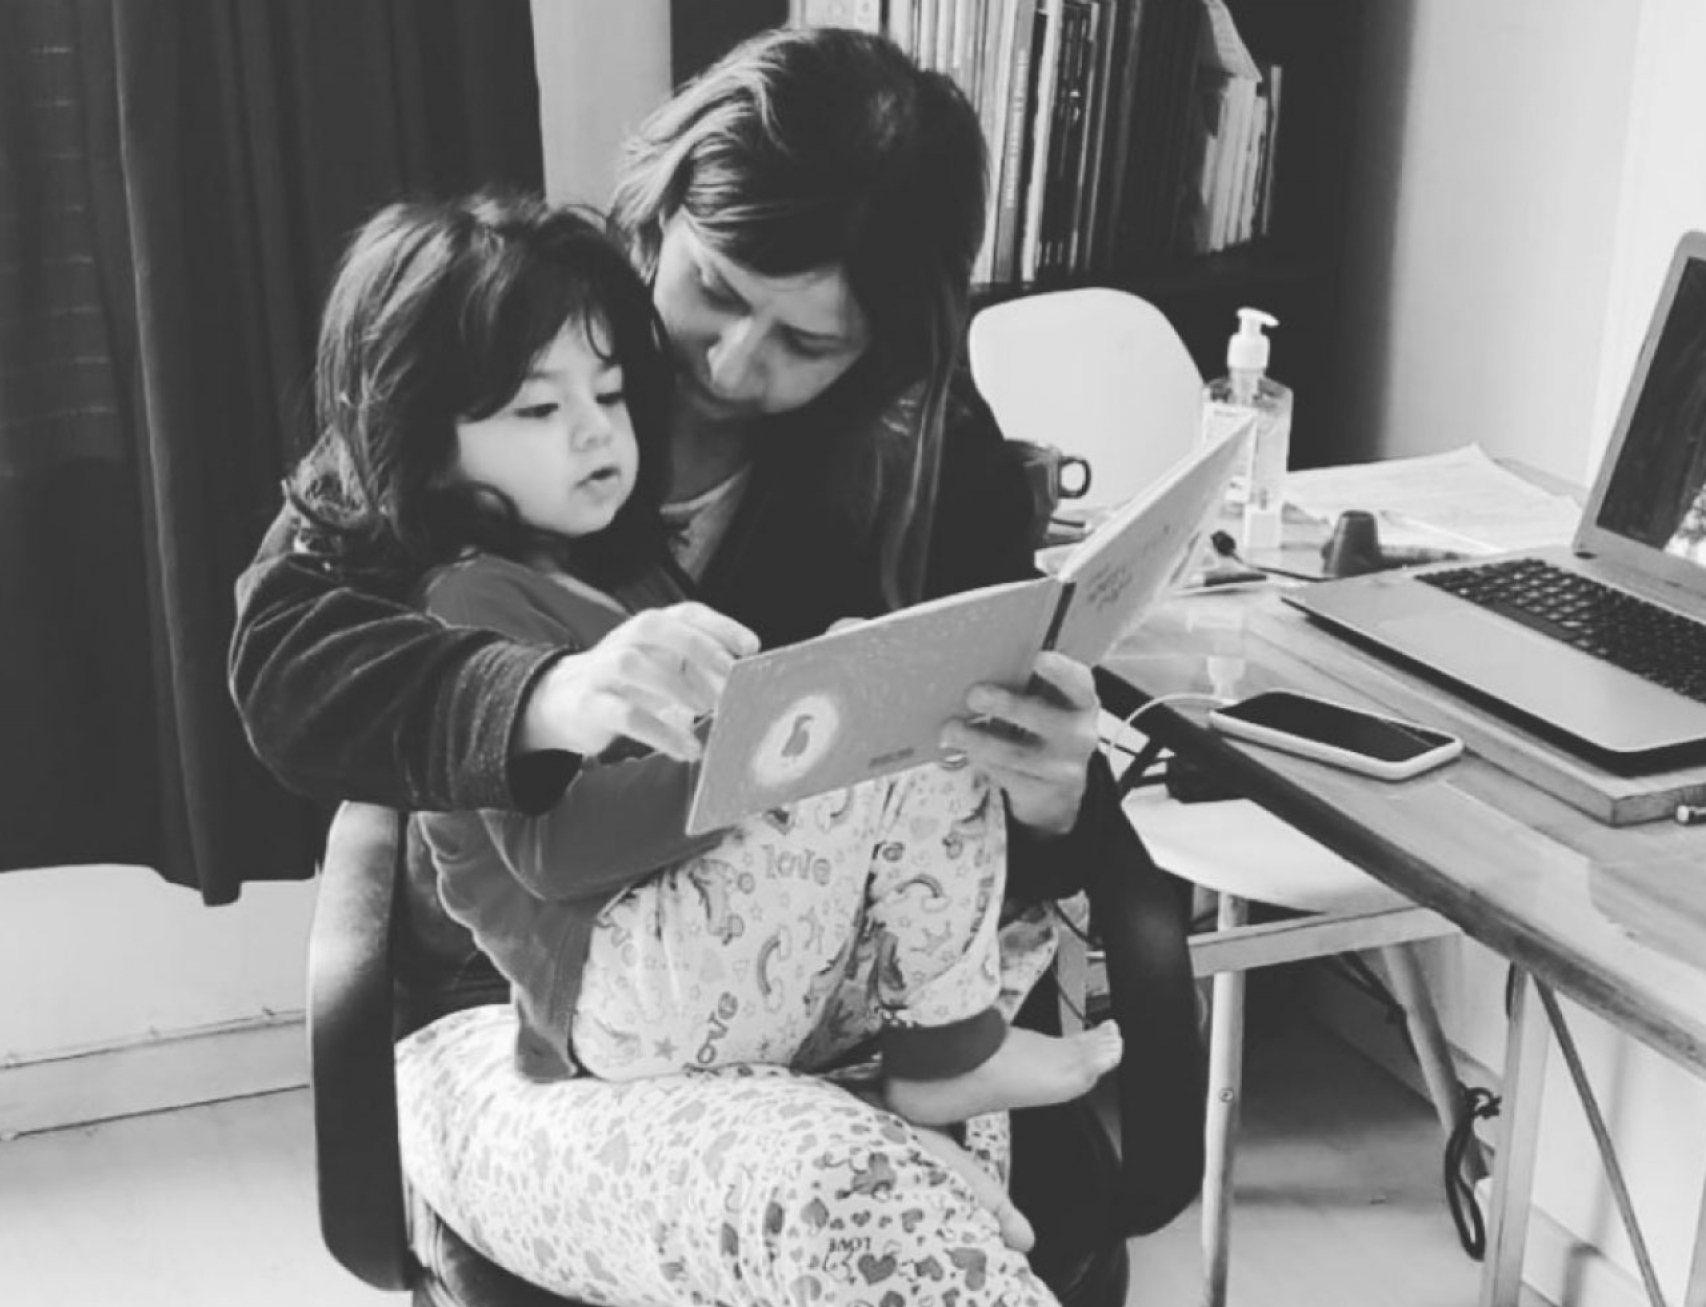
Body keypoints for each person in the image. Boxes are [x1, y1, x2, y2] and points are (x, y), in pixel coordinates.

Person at [231, 24, 1203, 1304]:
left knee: (889, 1207)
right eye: (720, 289)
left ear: (884, 348)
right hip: (530, 1012)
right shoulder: (500, 342)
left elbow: (975, 823)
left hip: (834, 1005)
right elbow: (285, 662)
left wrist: (1055, 792)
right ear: (663, 206)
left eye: (811, 343)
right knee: (850, 1201)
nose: (737, 364)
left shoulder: (927, 465)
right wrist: (544, 698)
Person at [294, 190, 1123, 1133]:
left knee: (916, 711)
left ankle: (947, 1065)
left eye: (609, 394)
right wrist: (753, 755)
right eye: (540, 408)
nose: (594, 431)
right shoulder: (467, 603)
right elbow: (556, 855)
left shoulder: (622, 573)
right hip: (611, 987)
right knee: (857, 707)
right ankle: (947, 1055)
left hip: (694, 967)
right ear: (429, 446)